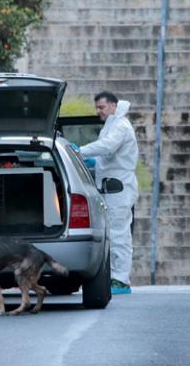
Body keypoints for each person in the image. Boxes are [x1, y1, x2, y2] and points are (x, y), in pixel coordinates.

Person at [79, 91, 139, 295]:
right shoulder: (113, 124)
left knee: (119, 234)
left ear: (113, 105)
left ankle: (121, 279)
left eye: (101, 107)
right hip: (112, 186)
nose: (98, 112)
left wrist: (79, 151)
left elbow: (108, 146)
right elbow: (110, 156)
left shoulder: (120, 126)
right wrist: (95, 162)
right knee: (114, 234)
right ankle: (115, 276)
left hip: (118, 188)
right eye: (97, 108)